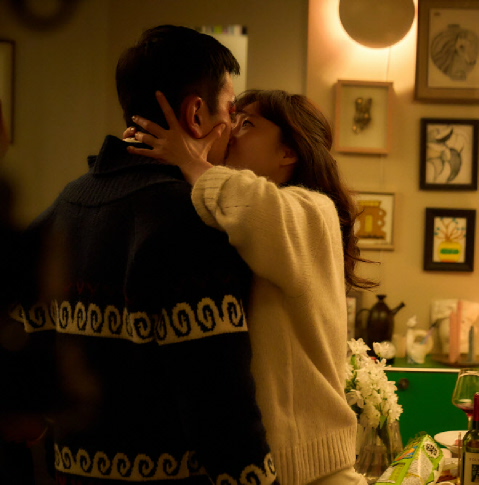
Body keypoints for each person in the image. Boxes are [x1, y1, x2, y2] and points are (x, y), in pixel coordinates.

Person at [7, 26, 277, 484]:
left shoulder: (66, 204)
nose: (233, 127)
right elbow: (220, 406)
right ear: (196, 113)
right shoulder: (190, 221)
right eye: (231, 110)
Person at [126, 89, 375, 484]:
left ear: (288, 152)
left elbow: (255, 207)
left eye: (247, 124)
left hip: (310, 468)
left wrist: (190, 160)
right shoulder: (233, 213)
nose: (230, 130)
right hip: (282, 462)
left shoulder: (314, 210)